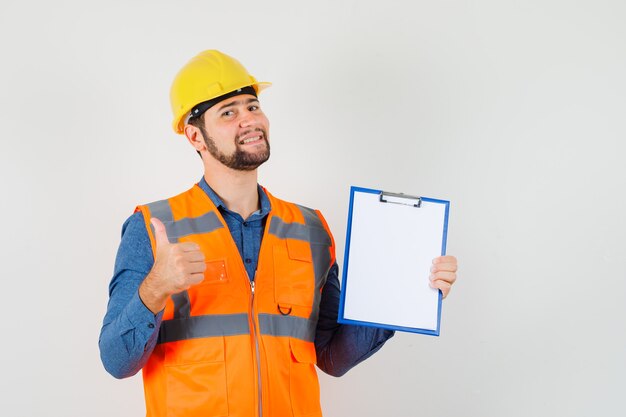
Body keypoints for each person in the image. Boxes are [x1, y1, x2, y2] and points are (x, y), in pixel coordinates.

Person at [99, 49, 458, 417]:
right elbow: (116, 360)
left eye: (252, 106)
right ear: (195, 136)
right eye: (229, 112)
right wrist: (156, 287)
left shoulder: (310, 229)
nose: (249, 120)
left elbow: (332, 356)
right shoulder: (153, 228)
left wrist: (405, 296)